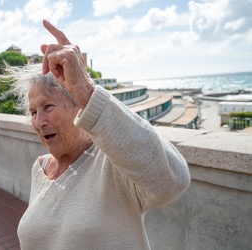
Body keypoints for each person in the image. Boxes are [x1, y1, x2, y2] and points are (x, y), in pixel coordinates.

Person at [10, 19, 191, 249]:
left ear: (78, 106)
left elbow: (173, 181)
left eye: (48, 107)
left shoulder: (113, 164)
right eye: (33, 111)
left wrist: (85, 89)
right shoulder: (40, 168)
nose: (38, 122)